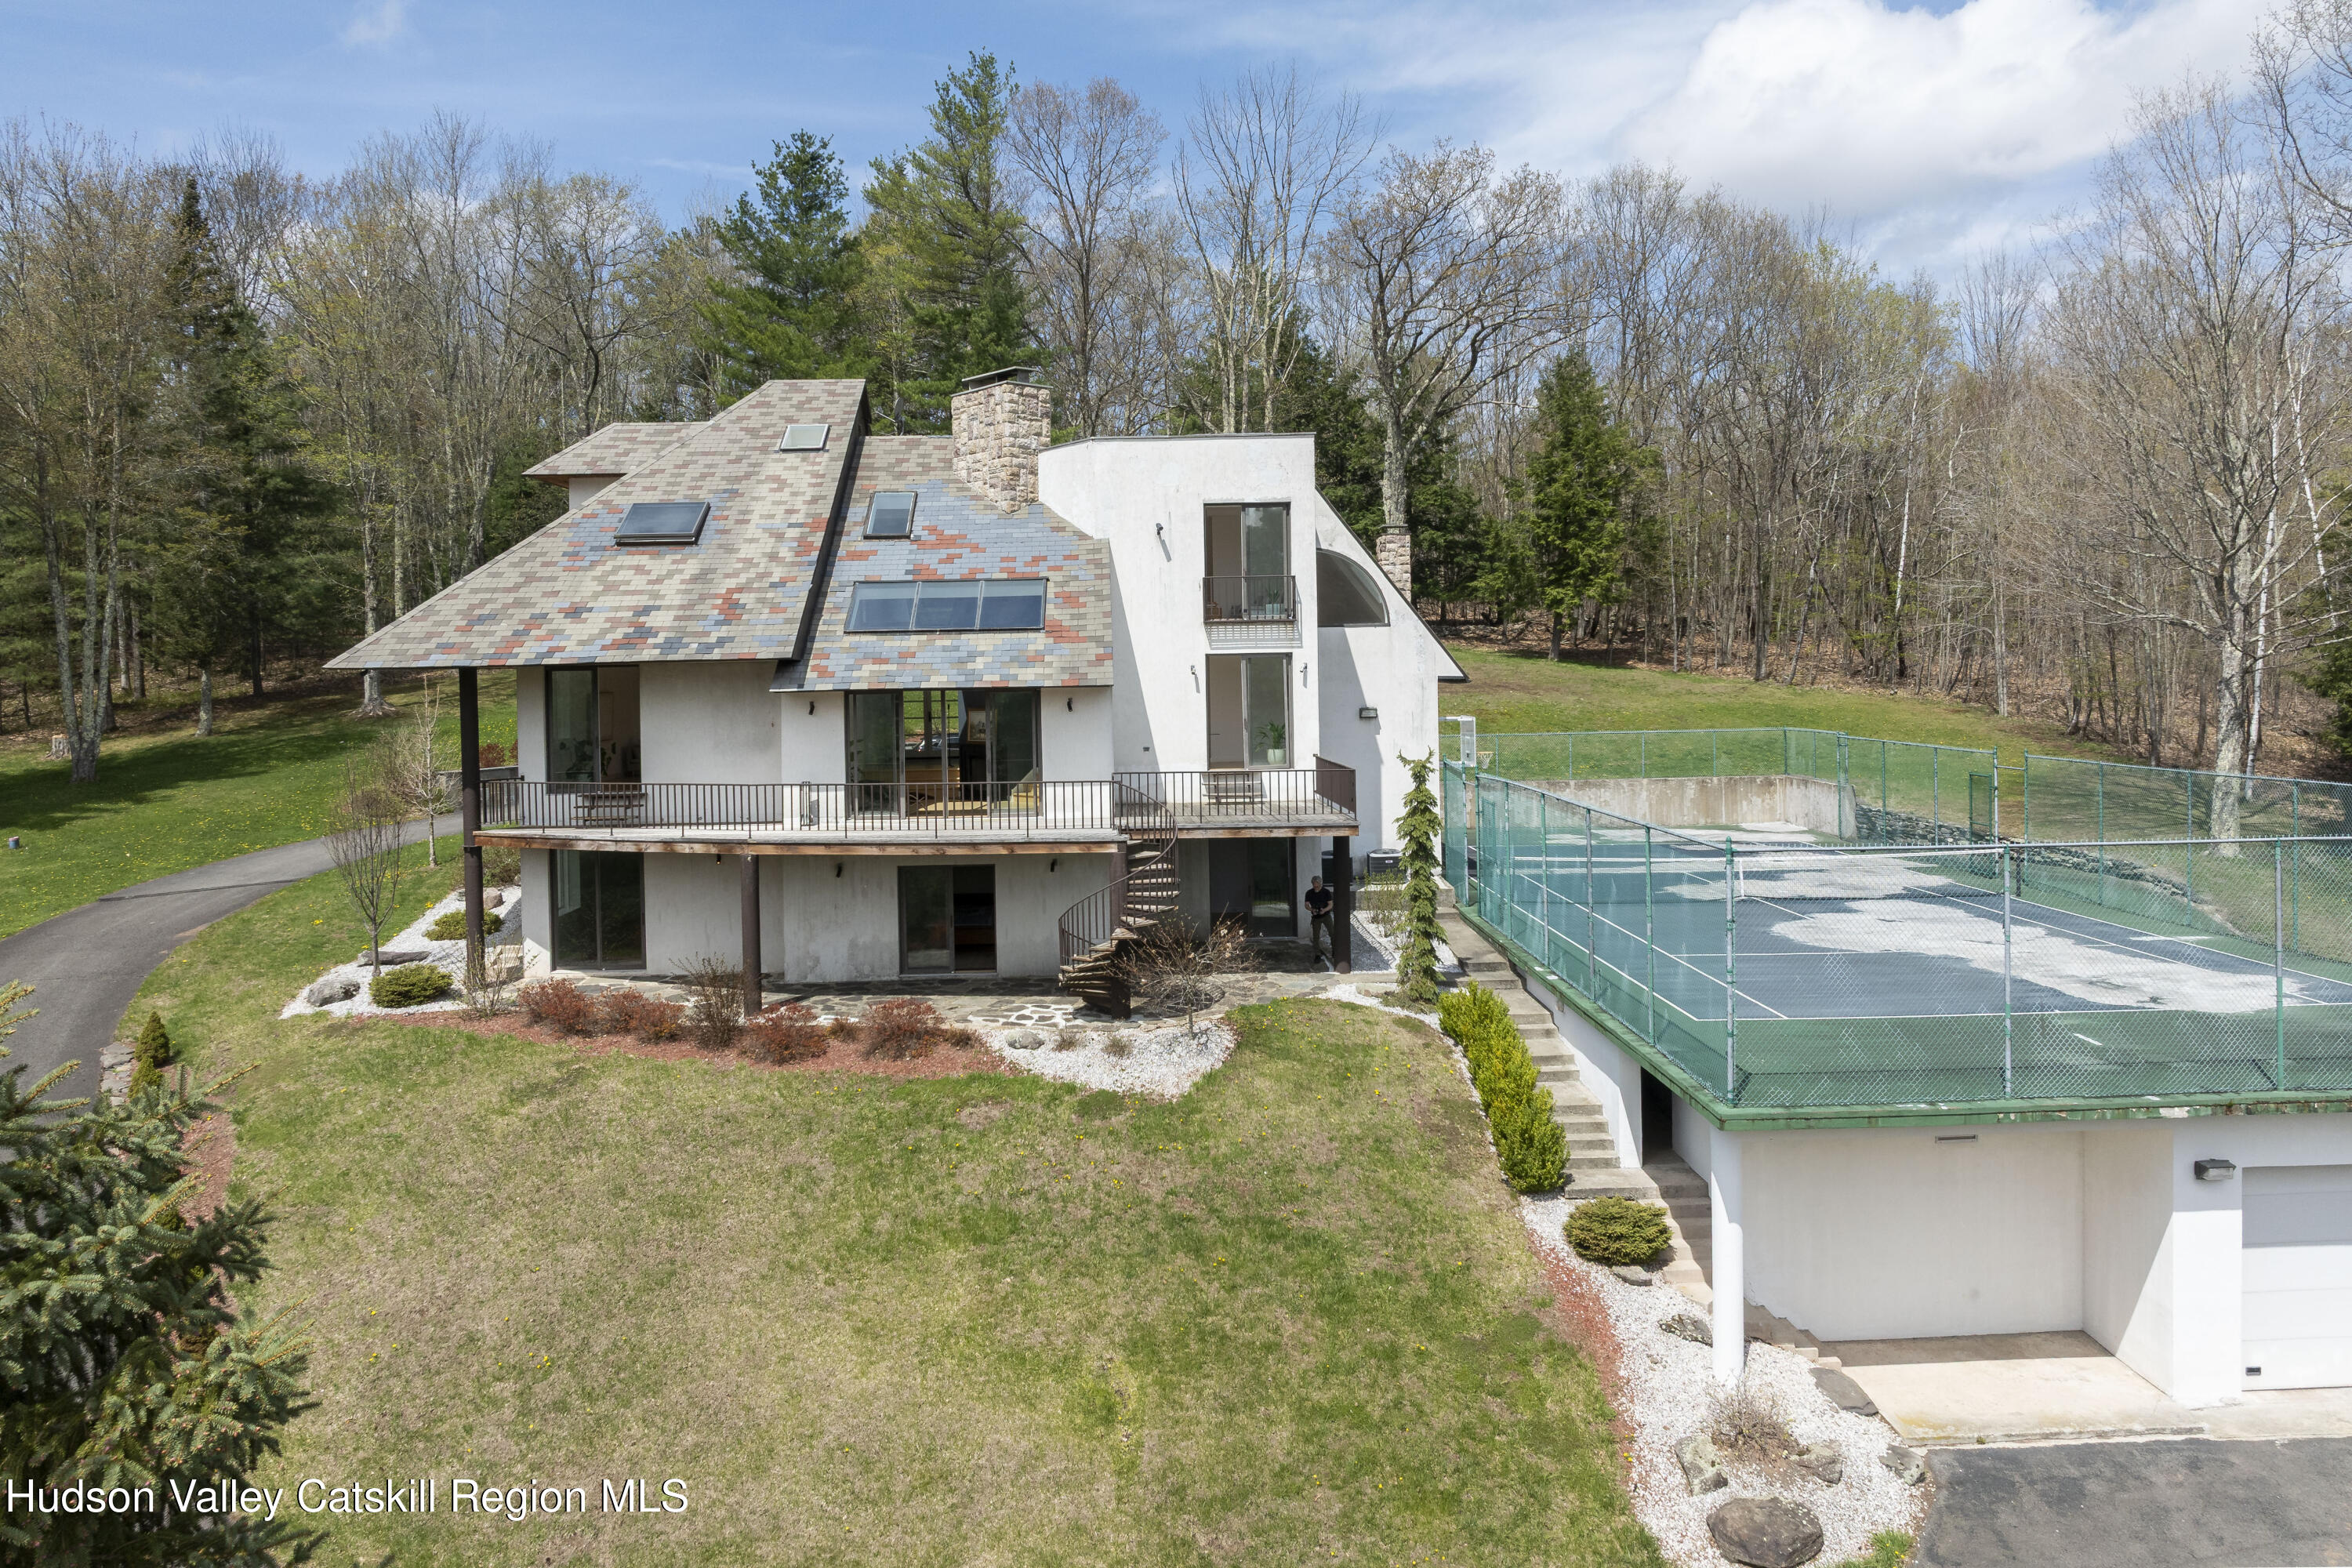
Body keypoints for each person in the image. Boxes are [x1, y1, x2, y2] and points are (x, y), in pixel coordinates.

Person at [1305, 875, 1335, 962]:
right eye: (1314, 883)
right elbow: (1306, 905)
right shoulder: (1309, 893)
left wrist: (1324, 910)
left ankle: (1335, 950)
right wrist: (1312, 910)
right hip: (1316, 917)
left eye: (1317, 883)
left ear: (1321, 883)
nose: (1315, 885)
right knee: (1316, 936)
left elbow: (1331, 904)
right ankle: (1317, 954)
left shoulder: (1326, 892)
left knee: (1332, 933)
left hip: (1326, 916)